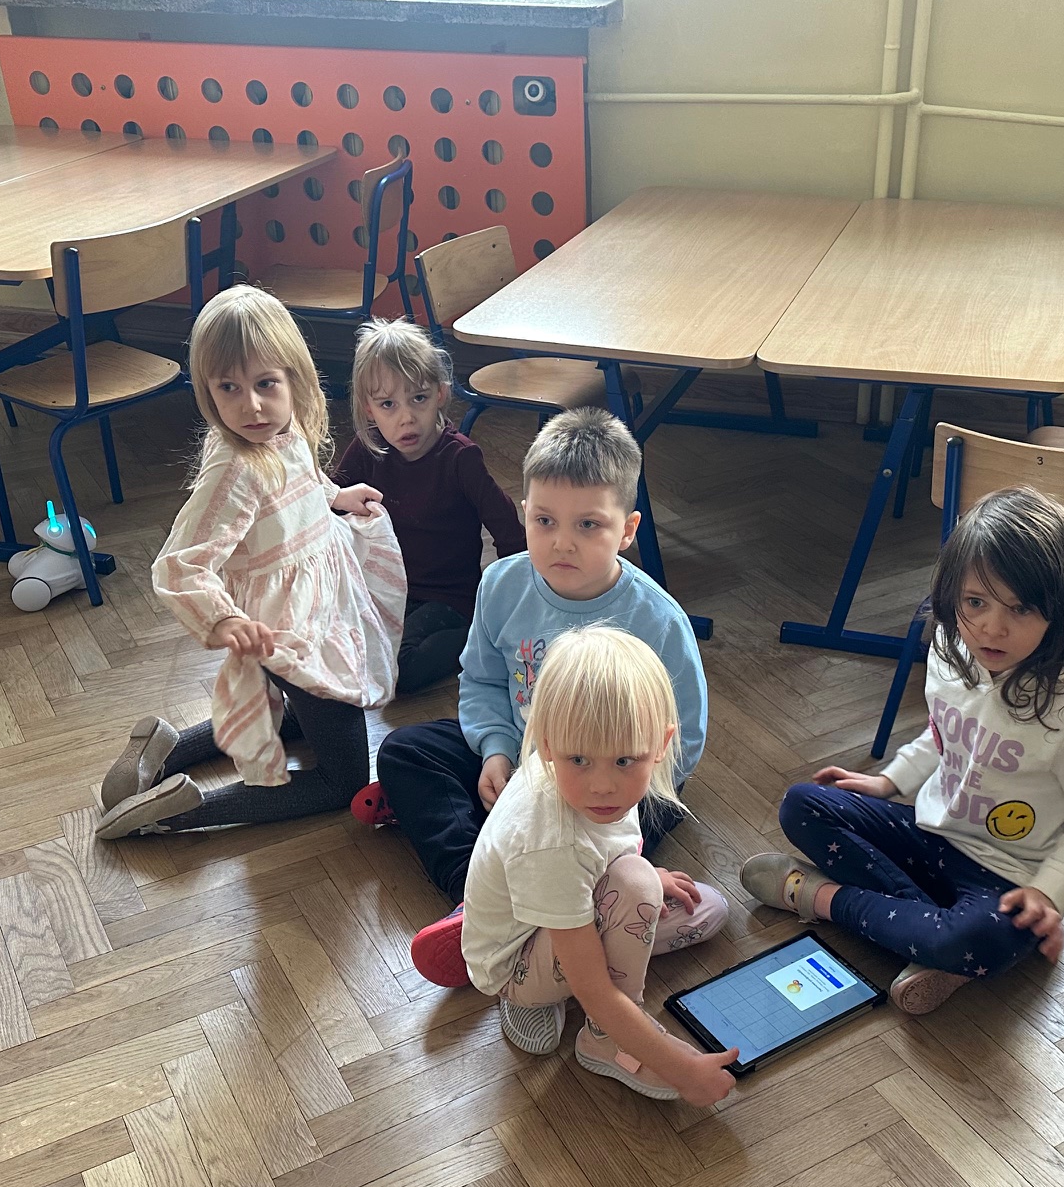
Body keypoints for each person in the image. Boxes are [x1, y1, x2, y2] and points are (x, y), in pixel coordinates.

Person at [744, 486, 1064, 1014]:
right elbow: (945, 732)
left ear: (1059, 610)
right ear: (951, 595)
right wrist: (890, 781)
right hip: (931, 833)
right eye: (975, 603)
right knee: (801, 803)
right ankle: (929, 939)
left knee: (975, 940)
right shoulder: (952, 647)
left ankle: (817, 897)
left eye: (1020, 608)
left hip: (1011, 876)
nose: (992, 627)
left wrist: (1049, 893)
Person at [364, 407, 709, 915]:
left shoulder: (658, 621)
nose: (562, 542)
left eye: (588, 524)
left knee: (654, 809)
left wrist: (599, 787)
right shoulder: (501, 584)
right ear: (525, 512)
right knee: (404, 751)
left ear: (627, 529)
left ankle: (552, 873)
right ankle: (472, 891)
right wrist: (496, 752)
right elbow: (482, 680)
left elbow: (684, 739)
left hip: (607, 778)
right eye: (544, 521)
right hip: (523, 753)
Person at [94, 284, 406, 838]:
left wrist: (335, 496)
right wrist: (222, 620)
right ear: (207, 392)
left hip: (304, 618)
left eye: (265, 384)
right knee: (343, 782)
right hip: (286, 631)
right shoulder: (236, 468)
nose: (252, 406)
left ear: (294, 380)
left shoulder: (283, 430)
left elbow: (297, 483)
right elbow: (178, 565)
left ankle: (166, 746)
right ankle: (179, 813)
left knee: (300, 715)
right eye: (229, 389)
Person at [410, 626, 735, 1105]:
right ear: (547, 742)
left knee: (709, 909)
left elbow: (609, 849)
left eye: (625, 760)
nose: (602, 785)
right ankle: (603, 1040)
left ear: (661, 745)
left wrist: (651, 881)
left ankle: (570, 923)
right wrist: (679, 1067)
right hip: (517, 964)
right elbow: (594, 989)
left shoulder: (576, 775)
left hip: (570, 899)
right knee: (635, 888)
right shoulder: (551, 843)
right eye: (579, 759)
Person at [332, 318, 524, 696]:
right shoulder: (369, 447)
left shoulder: (459, 457)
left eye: (418, 398)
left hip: (449, 599)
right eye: (388, 404)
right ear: (369, 409)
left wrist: (511, 603)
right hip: (389, 591)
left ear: (440, 393)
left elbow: (508, 530)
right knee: (343, 649)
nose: (406, 417)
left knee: (399, 670)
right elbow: (328, 502)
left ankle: (478, 634)